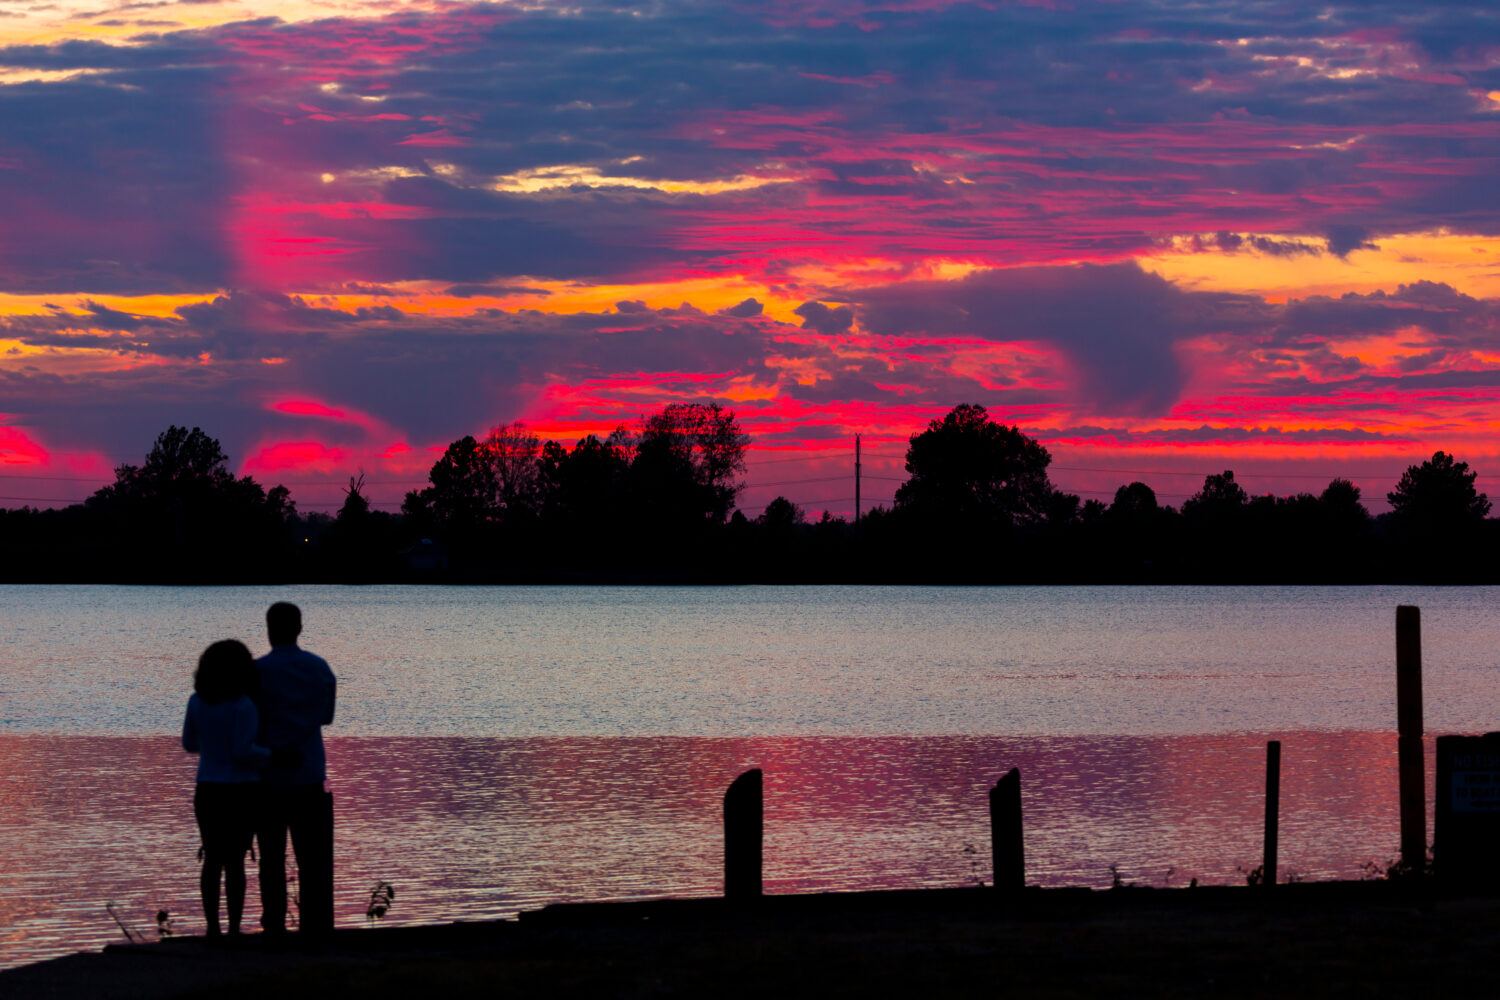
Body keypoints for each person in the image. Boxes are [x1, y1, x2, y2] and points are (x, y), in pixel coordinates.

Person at [254, 601, 337, 935]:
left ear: (269, 628)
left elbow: (250, 722)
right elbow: (327, 717)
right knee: (312, 860)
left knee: (270, 860)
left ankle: (273, 926)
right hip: (309, 774)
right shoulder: (319, 669)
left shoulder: (256, 672)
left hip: (269, 776)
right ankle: (314, 929)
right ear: (299, 628)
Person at [182, 639, 268, 940]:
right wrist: (272, 755)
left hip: (207, 788)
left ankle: (212, 929)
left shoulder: (196, 701)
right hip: (242, 791)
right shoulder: (244, 705)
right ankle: (233, 929)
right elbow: (242, 751)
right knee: (235, 862)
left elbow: (190, 744)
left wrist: (211, 745)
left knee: (212, 859)